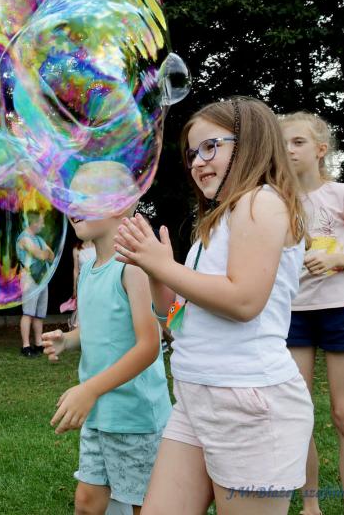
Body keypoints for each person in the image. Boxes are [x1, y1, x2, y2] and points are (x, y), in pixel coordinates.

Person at [114, 98, 314, 515]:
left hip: (247, 402)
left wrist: (164, 266)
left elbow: (244, 301)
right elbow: (175, 318)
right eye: (192, 153)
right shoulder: (214, 225)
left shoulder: (261, 202)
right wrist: (156, 273)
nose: (198, 162)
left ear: (251, 143)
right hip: (194, 396)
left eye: (211, 147)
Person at [41, 161, 173, 515]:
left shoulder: (133, 267)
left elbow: (149, 346)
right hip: (99, 412)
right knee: (87, 502)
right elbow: (101, 327)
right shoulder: (88, 270)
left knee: (143, 504)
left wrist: (90, 390)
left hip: (134, 416)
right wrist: (69, 340)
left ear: (119, 206)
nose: (72, 205)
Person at [280, 111, 344, 515]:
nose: (289, 149)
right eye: (283, 142)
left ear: (321, 149)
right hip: (294, 314)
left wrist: (337, 260)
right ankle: (311, 507)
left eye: (298, 142)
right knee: (299, 413)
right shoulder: (275, 200)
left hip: (342, 311)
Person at [16, 212, 54, 356]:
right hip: (29, 279)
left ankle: (38, 344)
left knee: (39, 314)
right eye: (41, 222)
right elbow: (41, 255)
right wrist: (44, 253)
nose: (43, 225)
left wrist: (44, 253)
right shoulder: (24, 238)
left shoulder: (38, 239)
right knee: (28, 313)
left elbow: (51, 256)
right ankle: (26, 346)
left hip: (42, 278)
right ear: (33, 223)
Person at [65, 239, 96, 330]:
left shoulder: (97, 246)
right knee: (82, 307)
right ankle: (79, 329)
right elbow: (75, 270)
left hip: (95, 280)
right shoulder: (76, 249)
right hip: (83, 281)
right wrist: (74, 288)